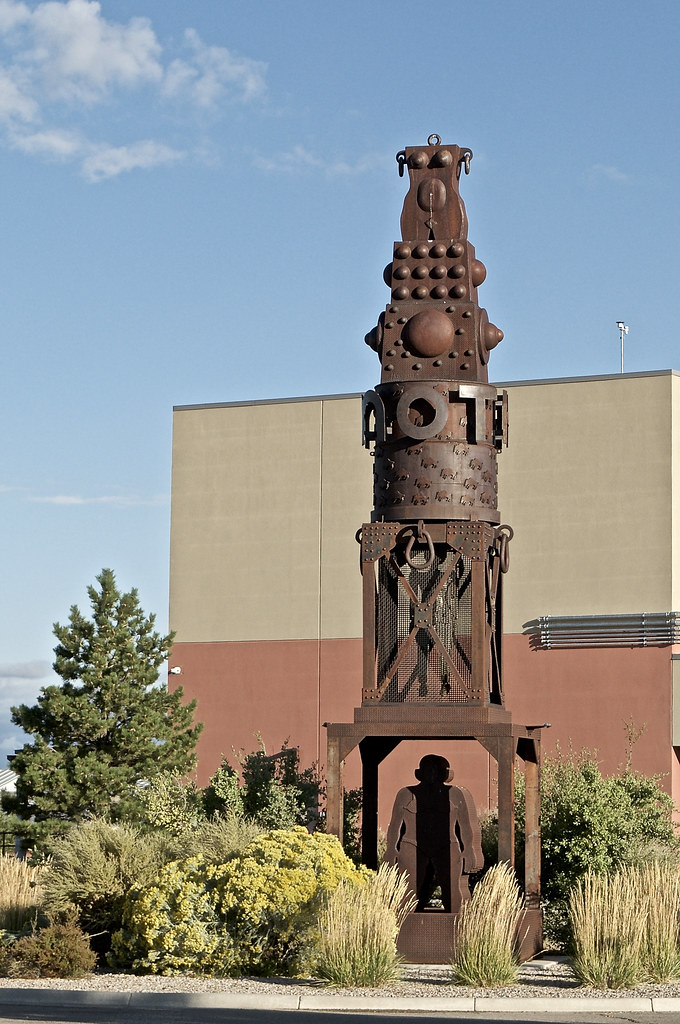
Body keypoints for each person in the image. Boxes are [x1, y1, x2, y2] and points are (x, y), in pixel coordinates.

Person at [385, 753, 483, 913]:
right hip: (412, 843)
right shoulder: (405, 794)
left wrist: (469, 849)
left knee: (453, 888)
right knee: (408, 890)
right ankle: (405, 924)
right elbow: (395, 823)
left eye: (435, 770)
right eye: (428, 769)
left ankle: (457, 923)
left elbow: (466, 825)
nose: (431, 774)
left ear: (443, 774)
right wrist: (391, 849)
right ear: (420, 773)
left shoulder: (455, 794)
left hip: (447, 844)